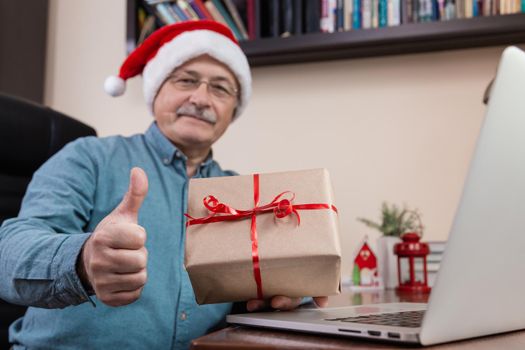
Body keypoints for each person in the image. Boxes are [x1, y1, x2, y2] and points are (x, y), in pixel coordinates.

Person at [0, 20, 326, 349]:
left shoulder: (240, 195)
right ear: (156, 91)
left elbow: (244, 298)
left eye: (220, 88)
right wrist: (82, 261)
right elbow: (8, 254)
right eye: (186, 80)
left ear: (233, 110)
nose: (201, 98)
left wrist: (285, 292)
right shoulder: (89, 157)